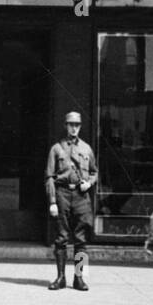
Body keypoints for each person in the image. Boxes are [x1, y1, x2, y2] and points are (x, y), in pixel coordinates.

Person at [45, 111, 99, 291]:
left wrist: (88, 183)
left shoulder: (86, 149)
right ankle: (60, 277)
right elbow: (50, 177)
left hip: (81, 196)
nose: (74, 128)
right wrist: (52, 201)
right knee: (61, 238)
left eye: (77, 125)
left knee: (81, 240)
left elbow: (94, 172)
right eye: (71, 124)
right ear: (66, 126)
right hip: (62, 194)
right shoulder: (57, 148)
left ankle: (79, 278)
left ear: (80, 126)